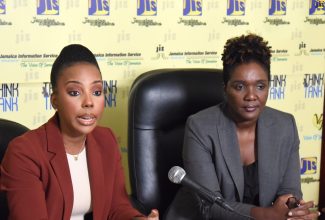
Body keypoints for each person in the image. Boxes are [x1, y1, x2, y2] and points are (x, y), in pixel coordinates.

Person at [164, 34, 320, 220]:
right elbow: (210, 207)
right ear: (225, 88)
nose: (251, 96)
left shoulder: (285, 125)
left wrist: (292, 209)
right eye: (240, 87)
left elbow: (289, 191)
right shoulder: (200, 127)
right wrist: (268, 215)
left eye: (260, 86)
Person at [0, 44, 159, 220]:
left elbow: (116, 206)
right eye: (75, 92)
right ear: (55, 100)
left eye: (97, 91)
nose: (89, 102)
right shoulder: (24, 152)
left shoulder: (106, 140)